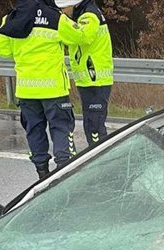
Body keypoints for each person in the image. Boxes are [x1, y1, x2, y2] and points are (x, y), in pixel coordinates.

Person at [0, 0, 92, 179]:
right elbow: (81, 37)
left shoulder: (11, 18)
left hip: (27, 90)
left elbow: (1, 49)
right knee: (61, 129)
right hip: (53, 89)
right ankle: (64, 172)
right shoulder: (55, 17)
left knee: (34, 130)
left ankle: (42, 173)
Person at [58, 0, 115, 148]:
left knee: (95, 127)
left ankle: (101, 159)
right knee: (91, 124)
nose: (62, 11)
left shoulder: (89, 15)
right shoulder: (82, 14)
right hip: (89, 80)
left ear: (74, 3)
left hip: (95, 80)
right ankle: (98, 156)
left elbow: (82, 37)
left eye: (63, 8)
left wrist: (60, 21)